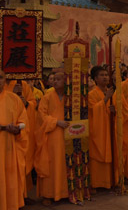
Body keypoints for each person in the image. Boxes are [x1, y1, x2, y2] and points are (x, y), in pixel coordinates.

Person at [35, 70, 70, 206]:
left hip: (67, 135)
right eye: (54, 79)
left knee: (65, 163)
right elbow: (41, 115)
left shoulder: (70, 96)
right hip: (51, 135)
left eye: (58, 79)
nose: (55, 82)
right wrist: (56, 122)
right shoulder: (48, 96)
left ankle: (65, 192)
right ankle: (48, 194)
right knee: (50, 164)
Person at [0, 69, 29, 210]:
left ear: (5, 80)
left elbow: (23, 122)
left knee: (7, 178)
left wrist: (17, 129)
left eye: (0, 77)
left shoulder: (14, 99)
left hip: (8, 147)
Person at [6, 79, 36, 198]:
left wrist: (27, 104)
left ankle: (22, 195)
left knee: (21, 163)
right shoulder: (5, 87)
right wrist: (12, 94)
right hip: (5, 134)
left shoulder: (23, 84)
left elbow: (33, 102)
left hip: (19, 133)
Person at [88, 66, 116, 190]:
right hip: (99, 130)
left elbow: (120, 109)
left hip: (111, 128)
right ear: (95, 78)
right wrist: (105, 99)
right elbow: (93, 110)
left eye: (106, 75)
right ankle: (97, 183)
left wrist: (115, 110)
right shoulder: (92, 94)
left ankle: (112, 180)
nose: (105, 77)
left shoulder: (113, 92)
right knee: (97, 155)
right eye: (102, 75)